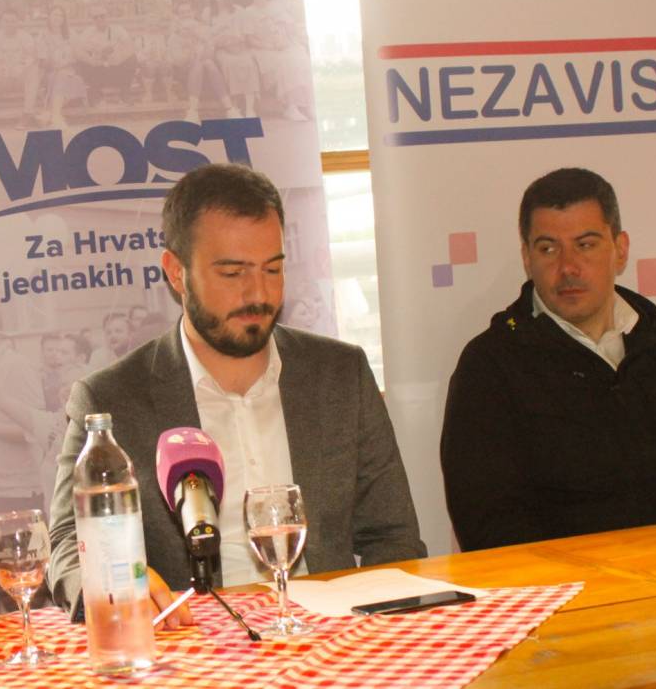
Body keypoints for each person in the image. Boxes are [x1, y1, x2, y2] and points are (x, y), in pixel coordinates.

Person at [47, 164, 424, 624]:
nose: (259, 293)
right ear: (176, 273)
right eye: (232, 273)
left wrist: (376, 629)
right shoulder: (111, 399)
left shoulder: (339, 374)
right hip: (189, 644)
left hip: (330, 636)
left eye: (273, 269)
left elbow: (394, 536)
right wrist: (117, 586)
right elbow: (67, 544)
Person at [440, 168, 656, 552]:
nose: (568, 267)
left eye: (586, 245)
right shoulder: (491, 366)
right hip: (576, 584)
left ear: (620, 249)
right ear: (527, 258)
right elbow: (489, 526)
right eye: (548, 249)